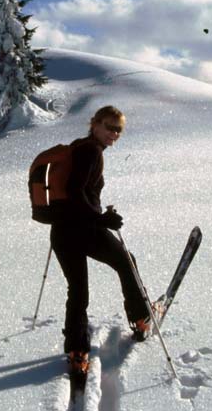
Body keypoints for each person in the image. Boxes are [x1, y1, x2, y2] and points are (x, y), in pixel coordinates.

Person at [51, 105, 152, 377]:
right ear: (95, 124)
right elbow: (75, 192)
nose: (114, 133)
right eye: (109, 127)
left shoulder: (78, 146)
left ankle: (76, 350)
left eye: (118, 129)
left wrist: (98, 214)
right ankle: (141, 318)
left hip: (62, 232)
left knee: (78, 290)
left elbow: (74, 191)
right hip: (85, 230)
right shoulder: (91, 151)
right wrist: (101, 219)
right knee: (126, 262)